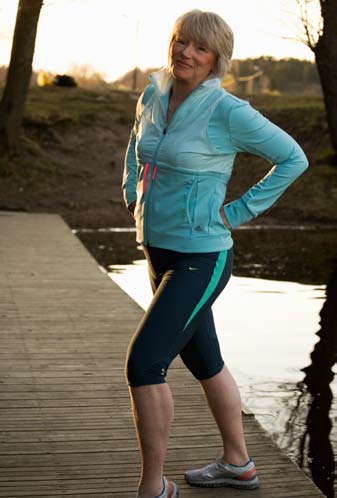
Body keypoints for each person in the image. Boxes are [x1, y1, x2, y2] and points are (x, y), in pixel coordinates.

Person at [122, 9, 308, 498]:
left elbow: (293, 158)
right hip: (157, 250)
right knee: (206, 361)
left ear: (216, 60)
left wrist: (240, 211)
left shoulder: (227, 110)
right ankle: (239, 464)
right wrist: (131, 191)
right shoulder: (154, 94)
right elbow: (134, 146)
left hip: (201, 257)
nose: (185, 52)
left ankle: (153, 487)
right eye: (181, 41)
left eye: (199, 48)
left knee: (144, 363)